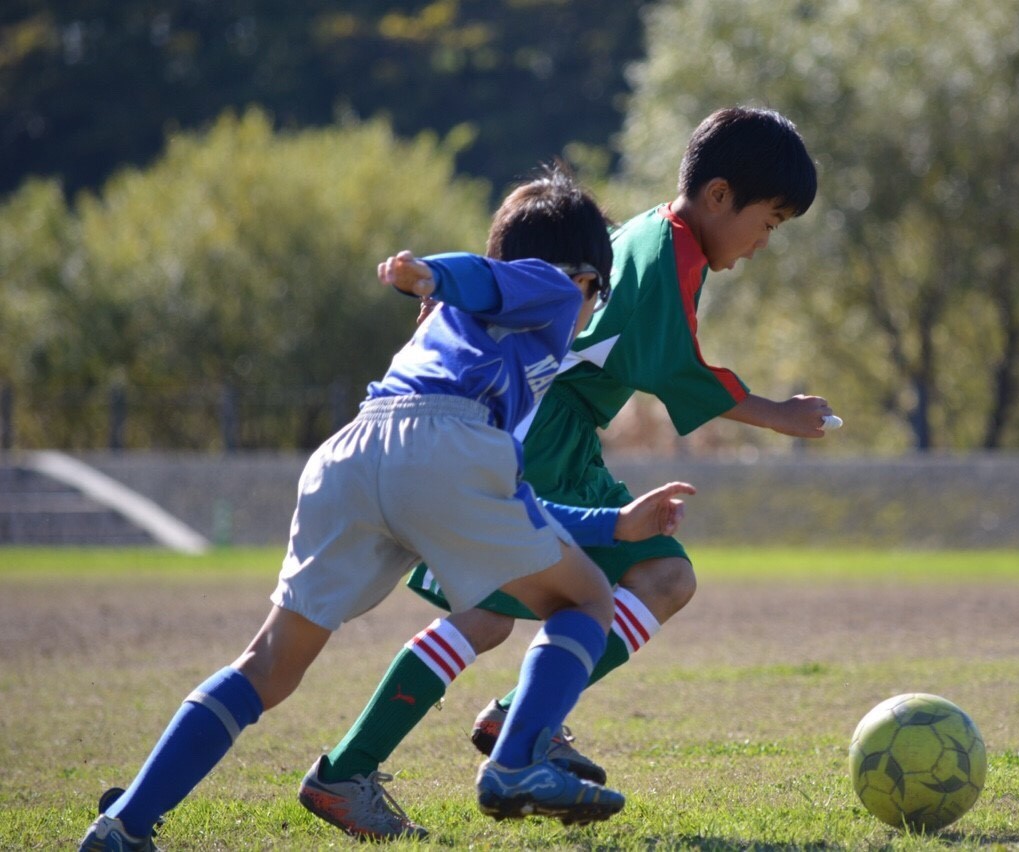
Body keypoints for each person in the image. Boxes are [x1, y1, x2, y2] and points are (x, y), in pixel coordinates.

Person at [77, 165, 697, 851]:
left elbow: (503, 500)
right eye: (597, 296)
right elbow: (498, 283)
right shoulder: (552, 287)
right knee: (586, 603)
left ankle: (124, 822)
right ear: (586, 278)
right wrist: (432, 273)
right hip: (441, 447)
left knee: (269, 664)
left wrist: (611, 524)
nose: (587, 312)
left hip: (355, 450)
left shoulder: (455, 339)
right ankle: (518, 761)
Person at [299, 106, 830, 840]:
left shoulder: (657, 240)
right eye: (768, 221)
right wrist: (780, 414)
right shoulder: (669, 250)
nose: (766, 241)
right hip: (547, 431)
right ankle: (491, 737)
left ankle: (468, 737)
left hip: (557, 433)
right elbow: (671, 364)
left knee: (516, 605)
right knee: (610, 588)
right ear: (717, 196)